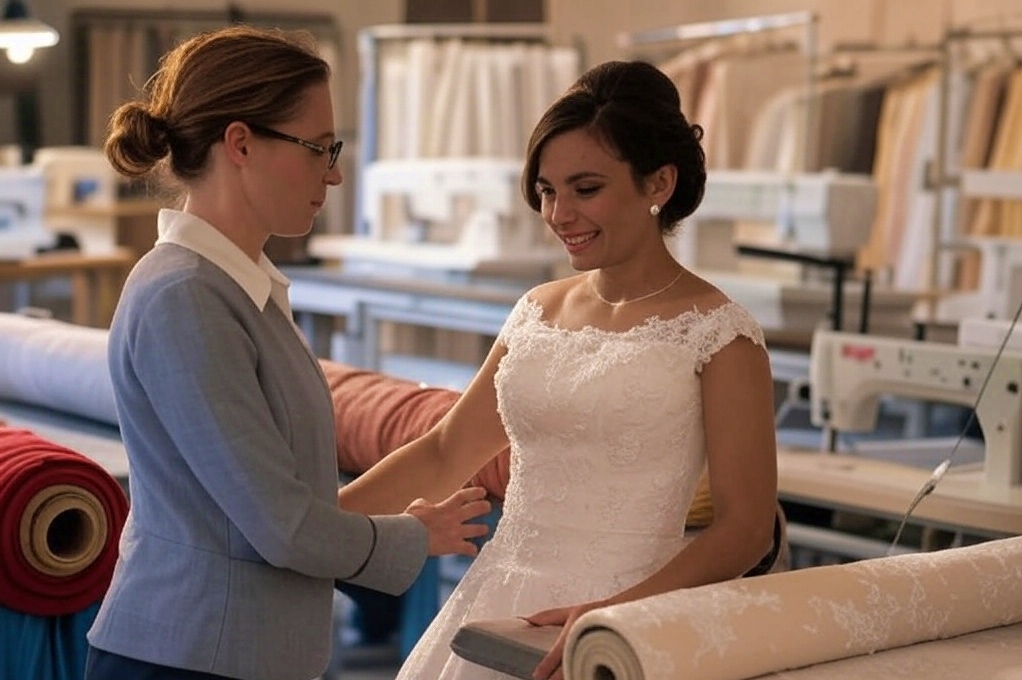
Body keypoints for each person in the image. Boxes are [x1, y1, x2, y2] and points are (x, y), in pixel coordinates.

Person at [337, 59, 779, 680]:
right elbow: (443, 453)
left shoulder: (720, 335)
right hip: (499, 597)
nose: (558, 214)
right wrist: (318, 524)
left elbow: (747, 528)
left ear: (659, 184)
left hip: (626, 618)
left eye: (585, 188)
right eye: (547, 191)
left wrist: (612, 617)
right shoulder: (536, 310)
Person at [84, 25, 490, 680]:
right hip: (188, 659)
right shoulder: (185, 297)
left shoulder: (240, 290)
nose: (331, 174)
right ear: (240, 143)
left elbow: (286, 503)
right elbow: (280, 527)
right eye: (318, 149)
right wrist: (415, 537)